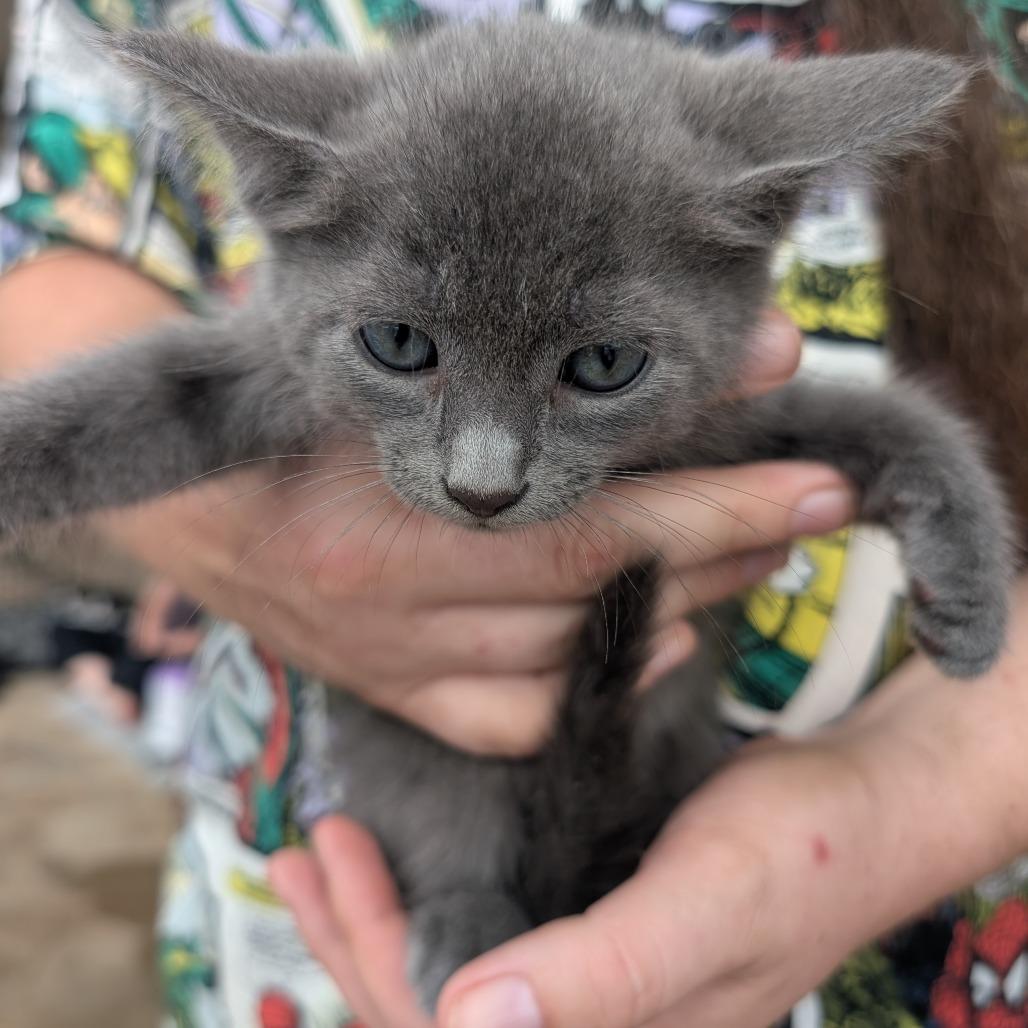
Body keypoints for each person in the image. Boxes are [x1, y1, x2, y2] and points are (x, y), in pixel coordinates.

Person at [0, 2, 1025, 1027]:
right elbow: (94, 303)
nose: (481, 473)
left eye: (599, 364)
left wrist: (911, 775)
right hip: (350, 892)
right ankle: (461, 885)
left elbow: (829, 424)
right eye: (401, 345)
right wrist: (245, 548)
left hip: (829, 870)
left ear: (755, 232)